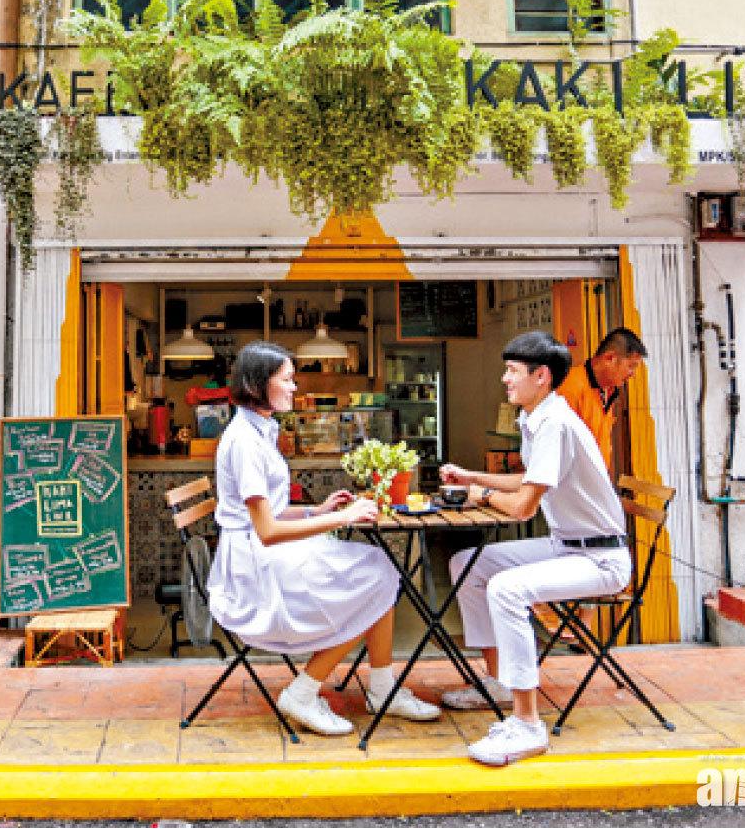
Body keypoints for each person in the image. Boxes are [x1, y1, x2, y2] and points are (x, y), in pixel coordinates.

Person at [206, 340, 440, 736]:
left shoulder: (257, 431)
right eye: (288, 380)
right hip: (256, 569)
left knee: (381, 569)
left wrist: (319, 510)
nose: (295, 388)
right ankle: (305, 691)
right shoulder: (244, 442)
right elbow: (266, 530)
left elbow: (271, 513)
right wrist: (342, 519)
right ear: (260, 383)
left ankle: (381, 687)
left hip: (264, 552)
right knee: (372, 580)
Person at [437, 331, 632, 766]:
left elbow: (524, 505)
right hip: (567, 546)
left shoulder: (555, 423)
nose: (504, 379)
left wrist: (479, 497)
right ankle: (497, 682)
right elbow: (531, 480)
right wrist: (473, 477)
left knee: (506, 589)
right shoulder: (538, 418)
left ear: (541, 376)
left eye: (512, 371)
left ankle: (527, 725)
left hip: (599, 558)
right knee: (468, 563)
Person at [556, 326, 647, 471]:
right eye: (631, 366)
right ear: (609, 358)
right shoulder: (570, 389)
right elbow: (558, 451)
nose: (633, 374)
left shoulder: (609, 390)